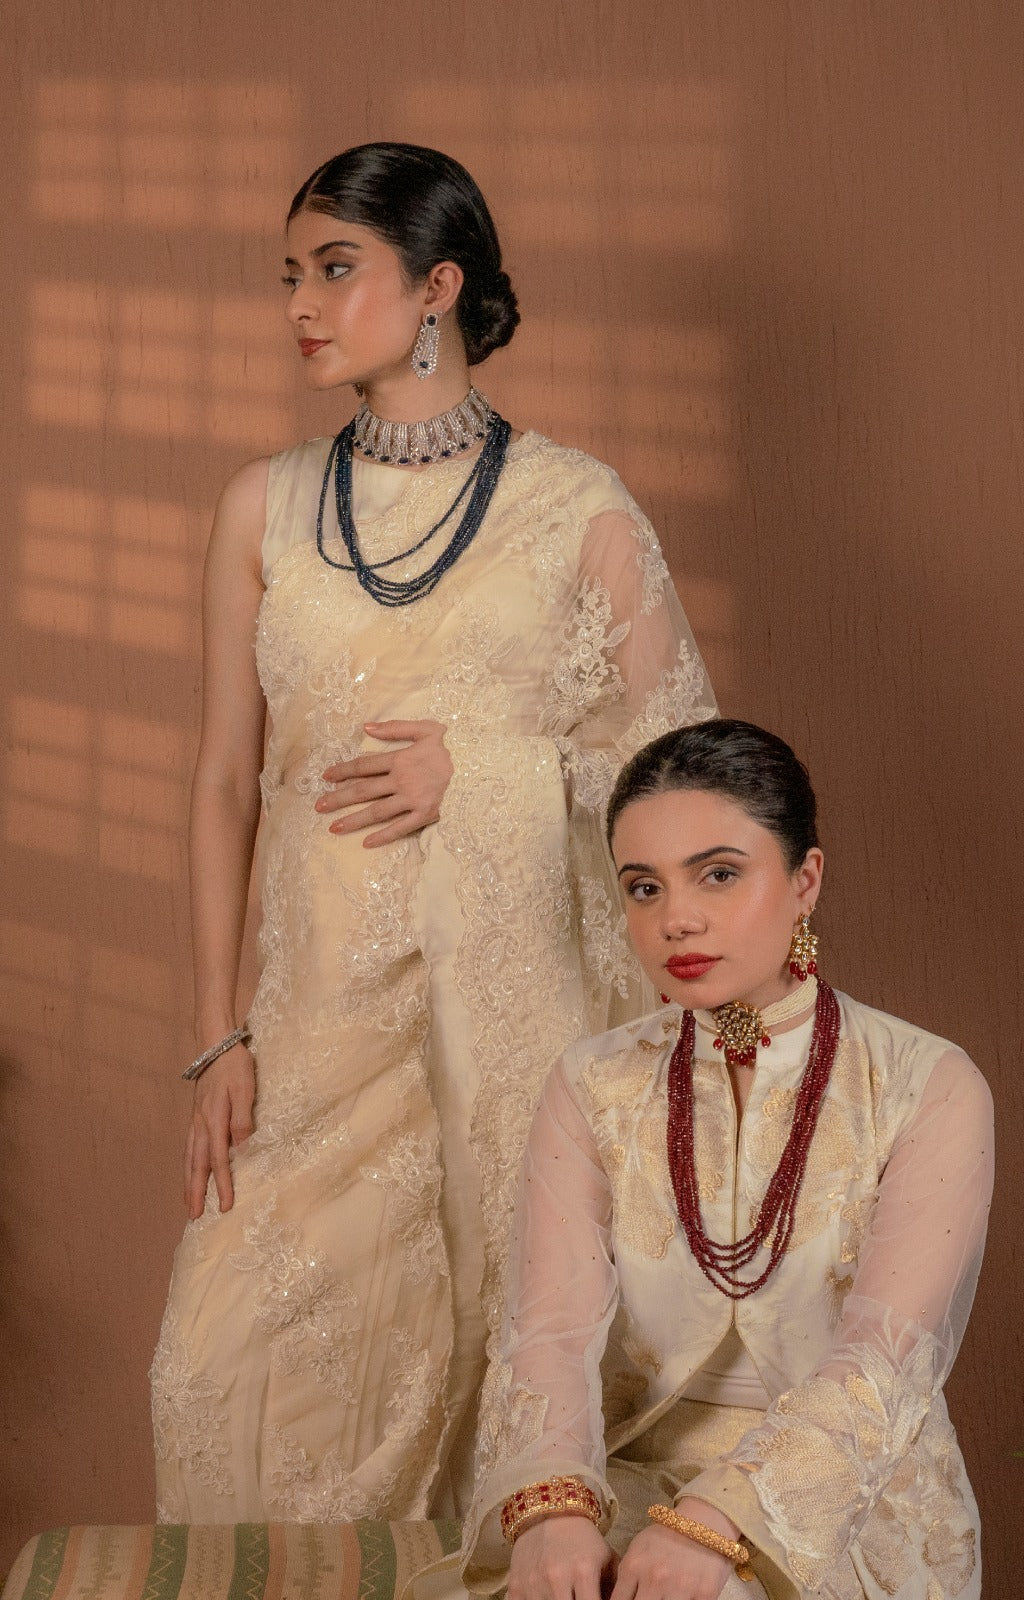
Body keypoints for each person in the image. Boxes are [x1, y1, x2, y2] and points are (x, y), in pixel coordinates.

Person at [149, 142, 715, 1525]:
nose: (301, 304)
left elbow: (684, 786)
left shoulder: (575, 508)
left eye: (337, 269)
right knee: (218, 1379)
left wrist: (495, 773)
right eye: (290, 275)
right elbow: (224, 780)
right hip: (314, 1033)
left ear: (436, 288)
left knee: (499, 1395)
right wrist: (218, 1035)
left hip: (508, 1042)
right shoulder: (263, 505)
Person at [458, 719, 993, 1600]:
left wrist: (717, 1522)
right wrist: (553, 1514)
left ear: (805, 880)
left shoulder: (926, 1083)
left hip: (845, 1505)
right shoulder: (592, 1083)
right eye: (644, 887)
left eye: (718, 873)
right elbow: (548, 1333)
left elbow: (881, 1362)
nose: (677, 919)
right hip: (627, 1480)